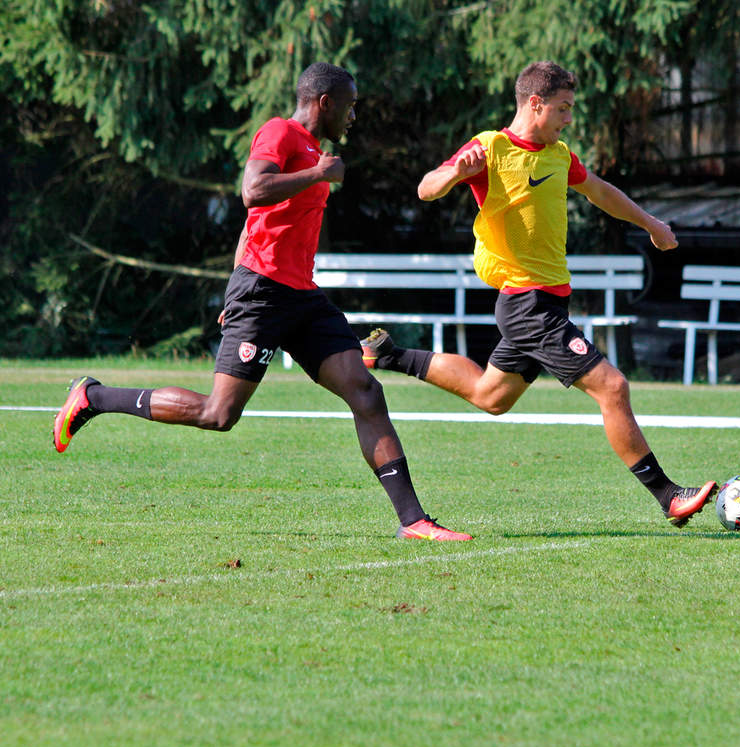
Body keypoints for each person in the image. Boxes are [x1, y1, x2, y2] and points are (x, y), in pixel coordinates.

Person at [52, 63, 470, 542]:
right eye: (350, 105)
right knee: (219, 415)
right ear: (324, 103)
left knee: (366, 392)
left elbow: (255, 226)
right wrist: (316, 176)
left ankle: (413, 521)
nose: (354, 115)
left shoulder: (316, 150)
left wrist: (240, 272)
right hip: (264, 293)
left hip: (302, 297)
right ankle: (94, 396)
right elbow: (252, 192)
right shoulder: (281, 133)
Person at [361, 60, 717, 527]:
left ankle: (388, 356)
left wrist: (650, 223)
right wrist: (452, 175)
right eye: (564, 108)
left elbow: (600, 192)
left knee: (492, 396)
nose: (570, 118)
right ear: (535, 103)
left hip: (545, 302)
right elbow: (427, 188)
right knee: (613, 386)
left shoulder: (559, 154)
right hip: (527, 304)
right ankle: (668, 496)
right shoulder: (491, 148)